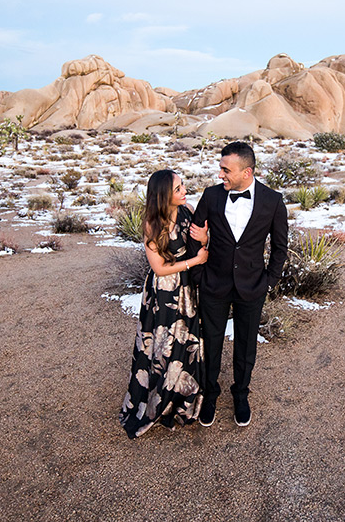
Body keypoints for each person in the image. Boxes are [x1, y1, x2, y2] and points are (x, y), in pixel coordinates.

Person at [189, 141, 288, 427]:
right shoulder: (210, 196)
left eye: (225, 170)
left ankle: (241, 395)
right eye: (220, 169)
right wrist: (199, 275)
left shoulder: (273, 201)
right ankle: (209, 395)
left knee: (246, 346)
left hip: (252, 286)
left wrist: (269, 281)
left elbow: (280, 247)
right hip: (214, 284)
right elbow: (194, 235)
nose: (220, 175)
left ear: (247, 172)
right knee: (212, 342)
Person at [119, 169, 209, 439]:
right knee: (163, 342)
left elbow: (201, 240)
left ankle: (183, 396)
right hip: (165, 292)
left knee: (188, 339)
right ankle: (161, 398)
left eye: (182, 186)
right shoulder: (151, 223)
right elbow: (159, 268)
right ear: (163, 195)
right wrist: (195, 262)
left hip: (187, 287)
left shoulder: (188, 210)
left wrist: (204, 240)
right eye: (178, 188)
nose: (184, 191)